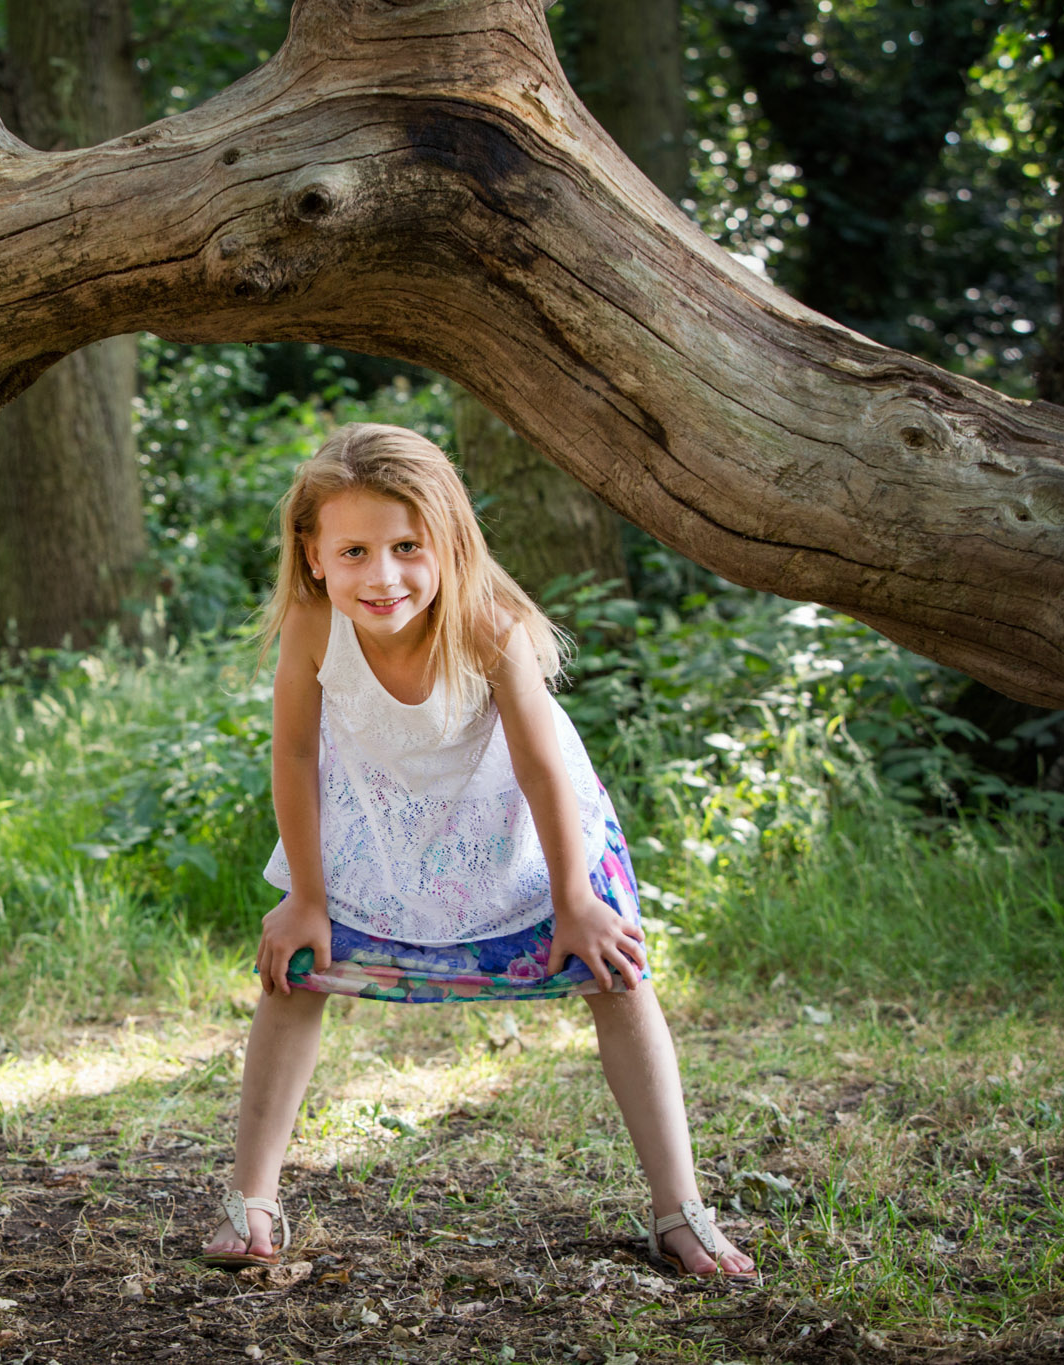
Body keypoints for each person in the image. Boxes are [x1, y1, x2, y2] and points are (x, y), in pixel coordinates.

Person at [201, 424, 756, 1281]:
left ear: (448, 543)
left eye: (406, 547)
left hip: (516, 818)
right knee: (294, 967)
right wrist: (305, 894)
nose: (381, 576)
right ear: (314, 555)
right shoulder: (312, 627)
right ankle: (252, 1195)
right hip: (382, 818)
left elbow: (539, 766)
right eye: (354, 551)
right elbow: (297, 756)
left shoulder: (491, 626)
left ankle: (679, 1207)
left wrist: (575, 897)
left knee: (618, 970)